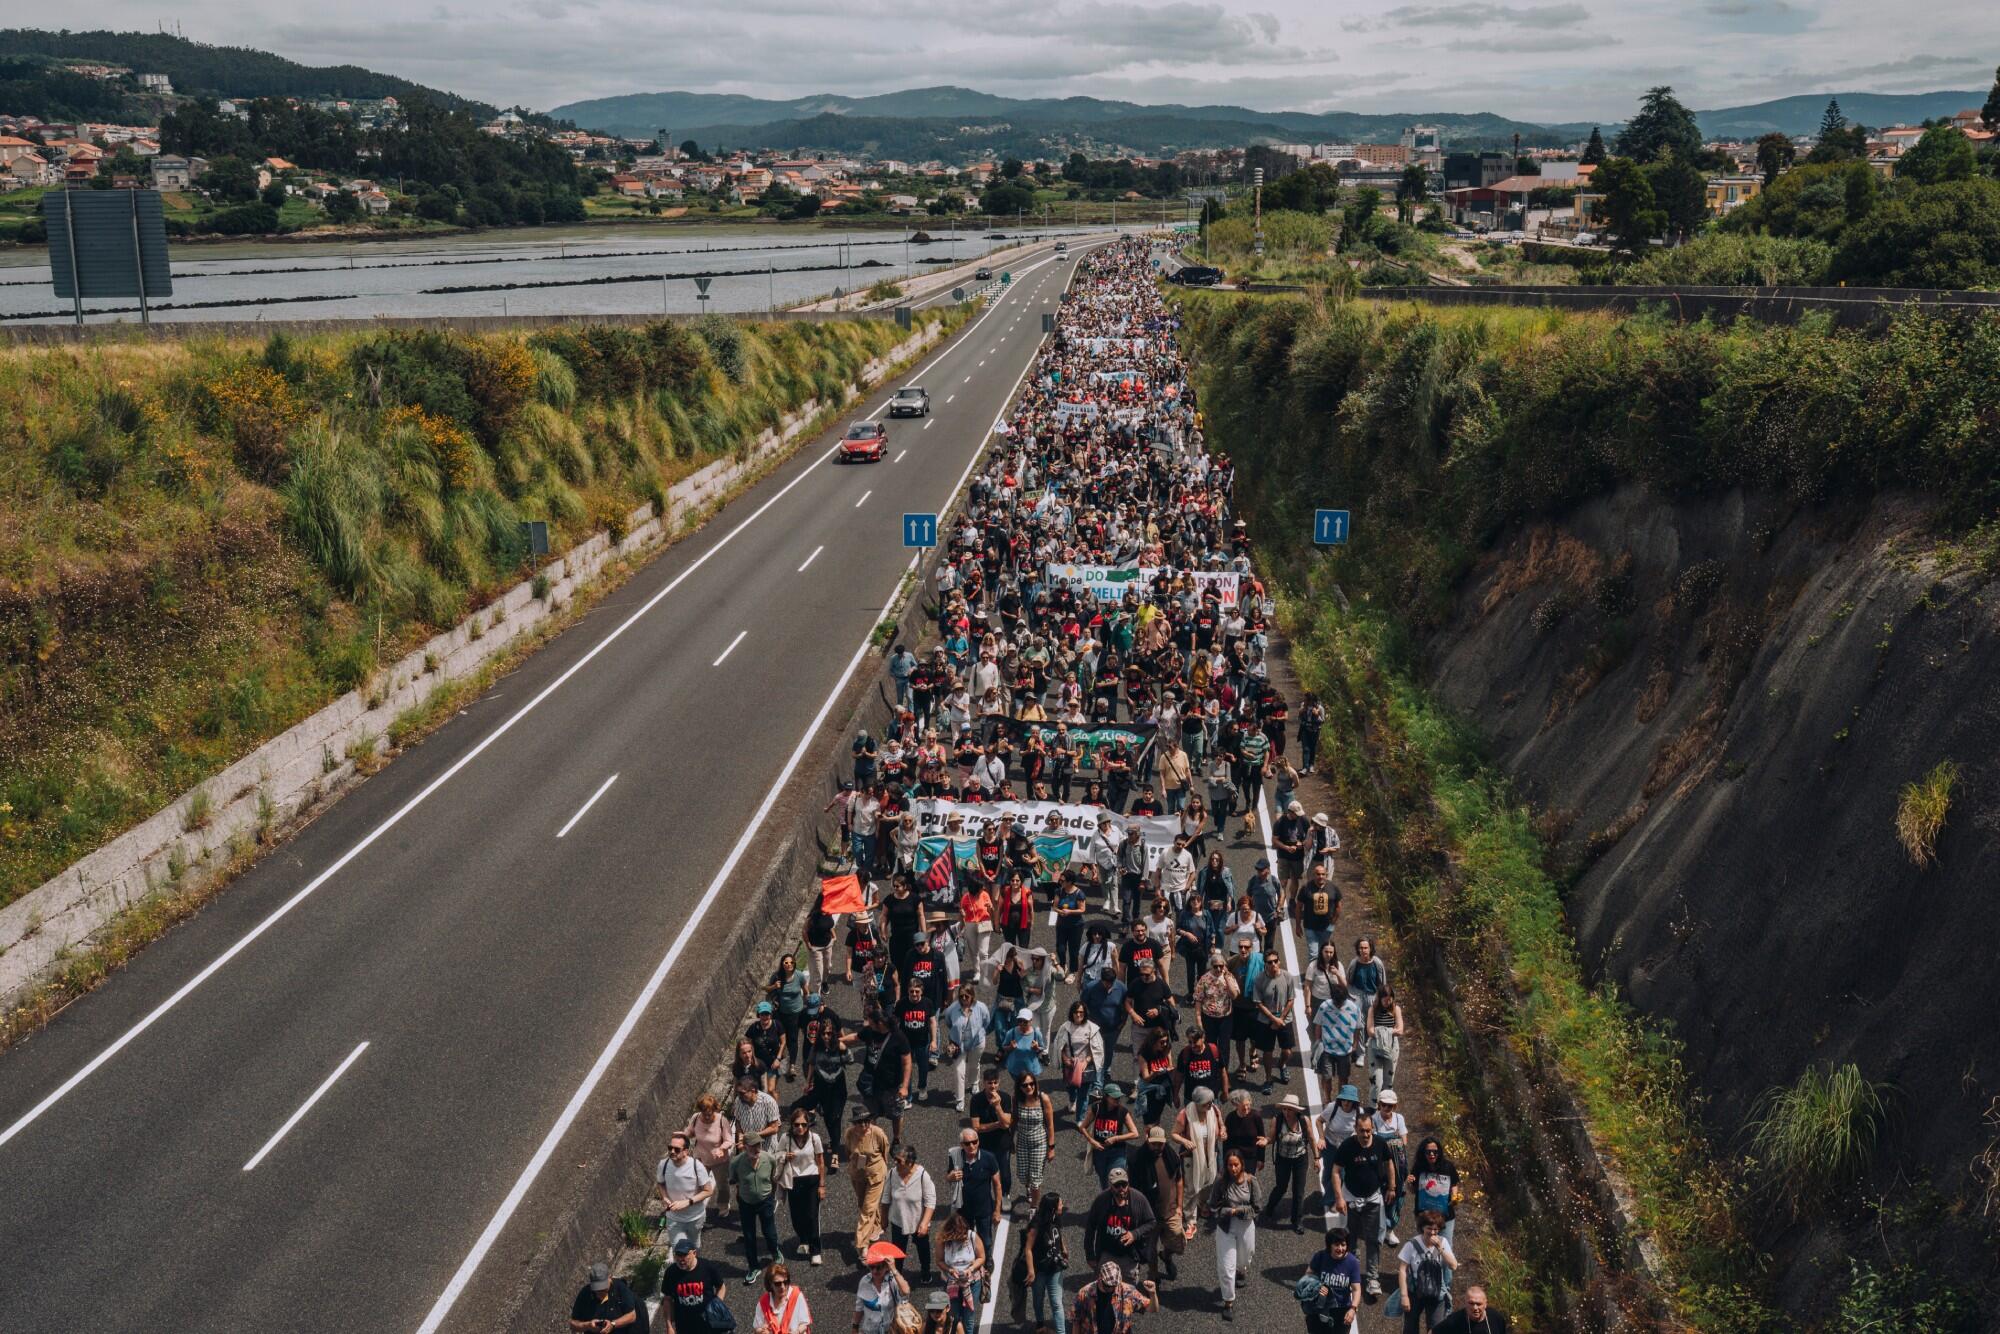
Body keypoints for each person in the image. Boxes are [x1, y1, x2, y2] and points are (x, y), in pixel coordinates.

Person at [1331, 1113, 1399, 1298]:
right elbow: (1336, 1171)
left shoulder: (1379, 1143)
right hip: (1351, 1198)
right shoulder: (1347, 1146)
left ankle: (1372, 1278)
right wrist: (1339, 1198)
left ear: (1372, 1129)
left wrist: (1391, 1187)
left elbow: (1389, 1163)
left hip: (1373, 1198)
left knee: (1374, 1238)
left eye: (1369, 1130)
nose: (1366, 1134)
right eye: (1362, 1131)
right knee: (1349, 1238)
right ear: (1356, 1130)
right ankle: (1351, 1274)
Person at [1204, 1147, 1262, 1322]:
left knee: (1246, 1258)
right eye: (1230, 1165)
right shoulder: (1220, 1182)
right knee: (1226, 1267)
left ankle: (1241, 1270)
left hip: (1245, 1225)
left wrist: (1237, 1210)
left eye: (1236, 1165)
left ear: (1242, 1164)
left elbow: (1257, 1207)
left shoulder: (1252, 1181)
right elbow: (1212, 1204)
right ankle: (1228, 1302)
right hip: (1225, 1227)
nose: (1233, 1168)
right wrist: (1220, 1210)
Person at [1129, 1125, 1186, 1282]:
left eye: (1160, 1144)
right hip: (1149, 1216)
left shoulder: (1171, 1155)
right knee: (1149, 1249)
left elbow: (1179, 1179)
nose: (1157, 1147)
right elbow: (1132, 1191)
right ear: (1148, 1141)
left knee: (1178, 1242)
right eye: (1154, 1144)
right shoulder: (1137, 1160)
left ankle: (1166, 1256)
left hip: (1171, 1211)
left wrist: (1180, 1207)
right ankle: (1153, 1276)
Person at [1083, 1167, 1157, 1276]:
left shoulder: (1138, 1199)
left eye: (1124, 1184)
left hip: (1129, 1256)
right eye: (1117, 1185)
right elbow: (1090, 1228)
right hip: (1107, 1254)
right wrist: (1090, 1255)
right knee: (1107, 1289)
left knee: (1128, 1290)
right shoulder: (1101, 1200)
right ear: (1110, 1185)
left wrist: (1134, 1234)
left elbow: (1151, 1222)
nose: (1121, 1188)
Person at [776, 1112, 826, 1267]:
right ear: (792, 1125)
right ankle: (803, 1239)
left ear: (808, 1125)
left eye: (803, 1124)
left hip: (811, 1179)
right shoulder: (786, 1138)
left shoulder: (814, 1138)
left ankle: (815, 1250)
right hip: (793, 1180)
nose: (800, 1127)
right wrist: (785, 1156)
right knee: (797, 1216)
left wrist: (822, 1185)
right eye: (796, 1124)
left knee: (812, 1216)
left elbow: (820, 1162)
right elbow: (777, 1154)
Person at [1394, 1211, 1459, 1333]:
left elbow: (1453, 1265)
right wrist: (1404, 1296)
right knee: (1410, 1327)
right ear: (1422, 1227)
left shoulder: (1443, 1242)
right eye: (1429, 1228)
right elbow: (1403, 1270)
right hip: (1415, 1291)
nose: (1432, 1232)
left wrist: (1440, 1248)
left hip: (1437, 1292)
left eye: (1436, 1229)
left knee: (1437, 1329)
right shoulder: (1411, 1244)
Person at [731, 1133, 783, 1280]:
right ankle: (753, 1267)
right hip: (745, 1203)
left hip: (765, 1201)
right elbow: (734, 1180)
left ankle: (775, 1251)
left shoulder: (769, 1159)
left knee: (770, 1232)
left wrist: (772, 1196)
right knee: (749, 1236)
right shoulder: (736, 1163)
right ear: (745, 1146)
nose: (757, 1148)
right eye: (753, 1146)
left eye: (758, 1145)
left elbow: (774, 1179)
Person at [1268, 1093, 1321, 1233]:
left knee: (1298, 1191)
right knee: (1281, 1187)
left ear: (1296, 1110)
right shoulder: (1277, 1120)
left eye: (1290, 1109)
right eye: (1284, 1109)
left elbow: (1311, 1139)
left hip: (1300, 1159)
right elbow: (1272, 1138)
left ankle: (1296, 1221)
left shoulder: (1304, 1121)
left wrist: (1316, 1158)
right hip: (1282, 1158)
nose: (1286, 1112)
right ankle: (1270, 1207)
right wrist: (1265, 1141)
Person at [947, 1125, 1004, 1256]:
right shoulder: (956, 1158)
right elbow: (948, 1176)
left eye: (975, 1142)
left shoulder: (989, 1158)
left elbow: (997, 1185)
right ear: (962, 1145)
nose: (972, 1146)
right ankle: (970, 1260)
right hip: (963, 1209)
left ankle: (987, 1261)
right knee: (964, 1239)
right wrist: (951, 1177)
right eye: (967, 1143)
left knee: (986, 1240)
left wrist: (997, 1210)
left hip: (984, 1208)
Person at [1021, 1190, 1072, 1334]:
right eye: (1060, 1203)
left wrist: (1064, 1248)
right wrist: (1031, 1271)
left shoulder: (1055, 1218)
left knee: (1056, 1303)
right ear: (1053, 1208)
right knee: (1038, 1299)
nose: (1062, 1205)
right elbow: (1028, 1249)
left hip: (1055, 1268)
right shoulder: (1036, 1225)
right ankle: (1040, 1324)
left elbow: (1058, 1233)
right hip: (1039, 1270)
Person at [656, 1131, 716, 1251]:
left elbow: (708, 1191)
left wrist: (687, 1202)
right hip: (674, 1218)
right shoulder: (663, 1164)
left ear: (686, 1151)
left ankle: (693, 1267)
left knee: (694, 1247)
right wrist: (665, 1197)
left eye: (677, 1149)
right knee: (678, 1249)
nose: (672, 1151)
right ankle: (682, 1268)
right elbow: (660, 1183)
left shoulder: (696, 1166)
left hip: (695, 1217)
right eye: (670, 1148)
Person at [844, 1104, 893, 1253]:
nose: (864, 1125)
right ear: (854, 1124)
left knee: (867, 1209)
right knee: (863, 1204)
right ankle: (876, 1227)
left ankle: (862, 1245)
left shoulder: (878, 1133)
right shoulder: (849, 1134)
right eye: (860, 1122)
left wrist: (880, 1168)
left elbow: (885, 1151)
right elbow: (847, 1151)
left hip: (876, 1175)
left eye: (867, 1121)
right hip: (858, 1174)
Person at [940, 984, 994, 1113]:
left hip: (977, 1043)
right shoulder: (952, 1009)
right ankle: (960, 1099)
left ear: (972, 996)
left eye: (967, 996)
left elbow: (986, 1022)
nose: (963, 998)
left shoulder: (981, 1007)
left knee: (974, 1065)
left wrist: (979, 1033)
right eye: (961, 996)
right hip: (958, 1045)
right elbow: (948, 1022)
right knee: (959, 1071)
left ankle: (974, 1082)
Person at [935, 1209, 988, 1334]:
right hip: (951, 1282)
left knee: (969, 1315)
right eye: (958, 1236)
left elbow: (981, 1257)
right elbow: (939, 1260)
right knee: (954, 1314)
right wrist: (949, 1269)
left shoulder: (972, 1236)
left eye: (963, 1235)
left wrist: (971, 1268)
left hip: (972, 1282)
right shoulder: (941, 1240)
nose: (962, 1238)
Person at [968, 1066, 1016, 1201]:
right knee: (985, 1172)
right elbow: (976, 1127)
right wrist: (996, 1125)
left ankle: (1005, 1195)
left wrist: (997, 1106)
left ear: (999, 1082)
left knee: (1005, 1173)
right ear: (984, 1083)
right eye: (989, 1083)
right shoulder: (976, 1100)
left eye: (995, 1082)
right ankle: (986, 1197)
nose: (992, 1086)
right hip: (984, 1145)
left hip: (1002, 1144)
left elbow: (1006, 1124)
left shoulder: (1005, 1098)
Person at [684, 1094, 736, 1216]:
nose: (707, 1116)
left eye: (710, 1113)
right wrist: (682, 1135)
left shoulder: (721, 1120)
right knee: (698, 1183)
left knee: (722, 1184)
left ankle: (723, 1206)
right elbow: (690, 1132)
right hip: (700, 1157)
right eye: (704, 1113)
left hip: (719, 1160)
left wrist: (722, 1148)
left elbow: (729, 1140)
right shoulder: (696, 1118)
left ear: (715, 1110)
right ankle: (697, 1207)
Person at [1081, 1083, 1141, 1188]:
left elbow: (1135, 1133)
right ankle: (1108, 1201)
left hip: (1117, 1152)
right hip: (1100, 1152)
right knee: (1104, 1182)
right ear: (1106, 1097)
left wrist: (1116, 1138)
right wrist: (1092, 1141)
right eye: (1114, 1097)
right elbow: (1082, 1127)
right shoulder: (1096, 1108)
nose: (1117, 1099)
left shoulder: (1122, 1111)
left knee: (1117, 1181)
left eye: (1119, 1097)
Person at [1173, 1084, 1223, 1209]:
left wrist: (1223, 1132)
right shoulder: (1185, 1114)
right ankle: (1190, 1218)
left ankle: (1202, 1203)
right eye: (1206, 1103)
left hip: (1211, 1154)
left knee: (1209, 1182)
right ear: (1196, 1103)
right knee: (1191, 1187)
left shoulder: (1214, 1110)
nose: (1209, 1105)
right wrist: (1185, 1141)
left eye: (1211, 1102)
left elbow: (1222, 1125)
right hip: (1191, 1155)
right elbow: (1174, 1134)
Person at [664, 1237, 728, 1334]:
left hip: (708, 1323)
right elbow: (667, 1299)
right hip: (684, 1325)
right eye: (678, 1255)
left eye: (685, 1255)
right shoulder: (671, 1272)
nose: (681, 1259)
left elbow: (721, 1287)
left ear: (694, 1253)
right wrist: (669, 1326)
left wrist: (716, 1307)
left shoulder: (708, 1267)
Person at [1055, 1000, 1107, 1119]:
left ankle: (1080, 1118)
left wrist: (1087, 1061)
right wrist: (1065, 1059)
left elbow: (1097, 1049)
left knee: (1084, 1094)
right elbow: (1059, 1046)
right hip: (1069, 1064)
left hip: (1085, 1066)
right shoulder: (1065, 1027)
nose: (1078, 1015)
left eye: (1081, 1012)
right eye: (1076, 1012)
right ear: (1072, 1013)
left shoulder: (1092, 1028)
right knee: (1071, 1087)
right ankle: (1072, 1100)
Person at [1304, 1229, 1363, 1333]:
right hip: (1319, 1308)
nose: (1340, 1248)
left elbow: (1356, 1289)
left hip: (1341, 1312)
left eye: (1343, 1245)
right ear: (1329, 1245)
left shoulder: (1352, 1262)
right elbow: (1308, 1274)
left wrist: (1353, 1309)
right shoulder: (1320, 1256)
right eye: (1336, 1245)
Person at [1409, 1137, 1463, 1249]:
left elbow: (1454, 1184)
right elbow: (1413, 1190)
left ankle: (1446, 1267)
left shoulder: (1448, 1166)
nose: (1432, 1154)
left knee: (1445, 1248)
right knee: (1424, 1247)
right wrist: (1408, 1183)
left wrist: (1454, 1197)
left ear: (1439, 1152)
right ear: (1423, 1153)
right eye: (1428, 1152)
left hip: (1445, 1216)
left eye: (1435, 1152)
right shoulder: (1419, 1167)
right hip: (1424, 1216)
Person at [1073, 1261, 1155, 1334]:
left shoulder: (1128, 1291)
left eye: (1114, 1285)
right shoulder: (1085, 1293)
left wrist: (1152, 1294)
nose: (1111, 1289)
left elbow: (1152, 1309)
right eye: (1107, 1285)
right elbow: (1076, 1321)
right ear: (1100, 1277)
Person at [1014, 1071, 1057, 1209]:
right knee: (1023, 1174)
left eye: (1032, 1084)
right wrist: (1009, 1139)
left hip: (1039, 1144)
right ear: (1020, 1087)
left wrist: (1051, 1147)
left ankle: (1034, 1207)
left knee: (1036, 1179)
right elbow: (1014, 1119)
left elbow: (1050, 1124)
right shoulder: (1016, 1099)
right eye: (1025, 1085)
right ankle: (1028, 1187)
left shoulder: (1043, 1098)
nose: (1029, 1087)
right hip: (1022, 1143)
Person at [766, 956, 809, 1080]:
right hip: (780, 1013)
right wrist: (774, 986)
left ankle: (792, 1066)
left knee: (793, 1039)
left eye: (791, 962)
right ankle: (782, 1059)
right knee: (779, 1038)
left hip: (796, 1013)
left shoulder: (799, 976)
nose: (789, 964)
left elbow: (806, 992)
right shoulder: (776, 976)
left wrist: (807, 1004)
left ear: (794, 964)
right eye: (786, 962)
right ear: (782, 964)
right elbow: (766, 989)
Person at [569, 1261, 643, 1333]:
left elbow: (632, 1315)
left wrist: (613, 1324)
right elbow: (573, 1323)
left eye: (603, 1289)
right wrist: (588, 1325)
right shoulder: (585, 1293)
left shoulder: (620, 1288)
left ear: (609, 1277)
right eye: (597, 1289)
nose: (600, 1292)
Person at [854, 1246, 912, 1334]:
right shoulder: (864, 1282)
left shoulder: (892, 1281)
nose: (874, 1271)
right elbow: (859, 1307)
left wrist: (894, 1269)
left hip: (890, 1331)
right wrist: (855, 1327)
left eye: (879, 1267)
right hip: (868, 1331)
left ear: (886, 1267)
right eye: (871, 1267)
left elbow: (906, 1291)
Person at [754, 1264, 811, 1334]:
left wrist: (797, 1332)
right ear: (770, 1284)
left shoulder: (796, 1295)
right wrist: (762, 1331)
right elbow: (757, 1328)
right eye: (778, 1284)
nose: (783, 1287)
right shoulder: (763, 1302)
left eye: (785, 1282)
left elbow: (805, 1323)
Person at [1433, 1286, 1509, 1334]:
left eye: (1479, 1304)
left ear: (1485, 1304)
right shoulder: (1455, 1320)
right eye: (1471, 1303)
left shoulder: (1496, 1318)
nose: (1475, 1308)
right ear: (1465, 1303)